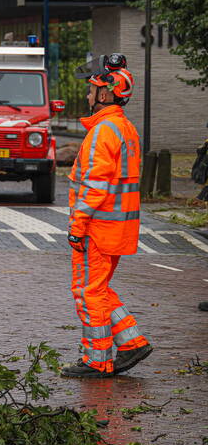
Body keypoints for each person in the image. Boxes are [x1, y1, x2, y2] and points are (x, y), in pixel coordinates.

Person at [62, 53, 152, 378]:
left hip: (97, 229)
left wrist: (77, 225)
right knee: (98, 289)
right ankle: (132, 343)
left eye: (90, 90)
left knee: (87, 292)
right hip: (118, 229)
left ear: (104, 94)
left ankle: (97, 360)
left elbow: (94, 186)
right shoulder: (125, 130)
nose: (87, 96)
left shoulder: (103, 132)